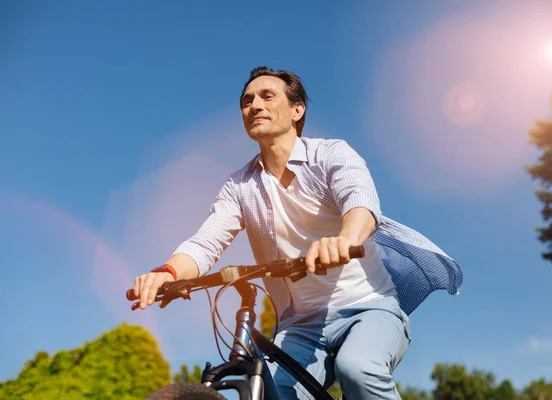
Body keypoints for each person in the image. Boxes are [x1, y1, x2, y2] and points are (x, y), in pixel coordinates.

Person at [132, 66, 463, 399]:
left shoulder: (330, 155)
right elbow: (206, 242)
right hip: (301, 326)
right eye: (247, 101)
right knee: (271, 390)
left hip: (370, 307)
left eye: (267, 96)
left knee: (358, 369)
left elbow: (360, 202)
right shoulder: (239, 186)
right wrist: (168, 273)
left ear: (296, 110)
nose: (254, 105)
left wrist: (345, 240)